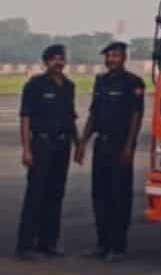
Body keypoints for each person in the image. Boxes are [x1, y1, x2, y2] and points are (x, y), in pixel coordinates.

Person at [75, 42, 146, 260]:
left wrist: (129, 147)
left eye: (115, 56)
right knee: (100, 195)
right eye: (108, 56)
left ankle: (118, 246)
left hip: (120, 146)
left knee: (119, 196)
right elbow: (94, 114)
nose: (111, 60)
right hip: (102, 145)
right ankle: (103, 244)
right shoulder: (101, 81)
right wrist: (83, 143)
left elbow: (136, 116)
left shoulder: (133, 83)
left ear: (124, 58)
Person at [15, 45, 78, 260]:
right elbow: (25, 118)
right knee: (36, 194)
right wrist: (26, 149)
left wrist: (78, 144)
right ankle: (26, 245)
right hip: (41, 145)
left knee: (55, 194)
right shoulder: (35, 85)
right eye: (54, 59)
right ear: (46, 62)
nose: (58, 63)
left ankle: (48, 242)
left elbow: (71, 118)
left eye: (61, 59)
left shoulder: (69, 86)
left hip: (62, 146)